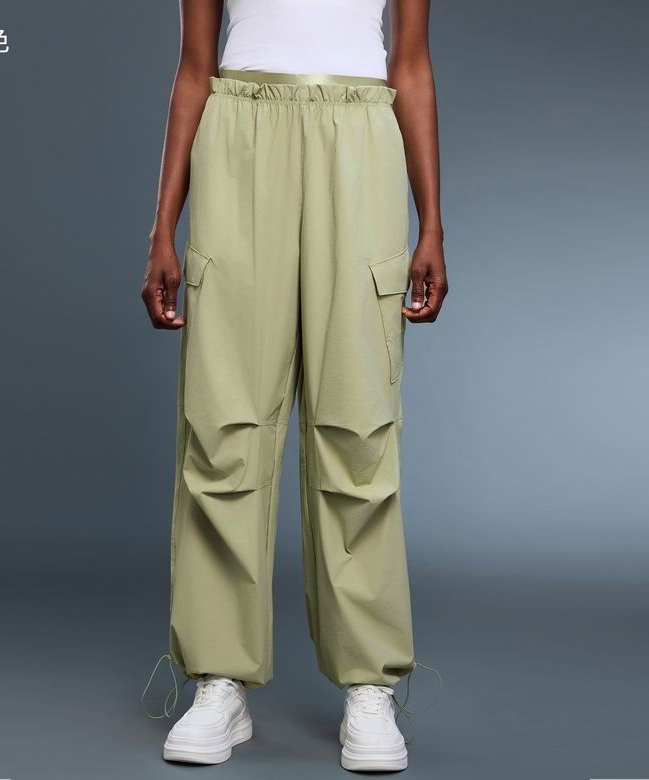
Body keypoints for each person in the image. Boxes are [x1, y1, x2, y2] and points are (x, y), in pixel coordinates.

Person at [141, 0, 448, 771]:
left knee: (358, 423)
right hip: (239, 133)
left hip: (362, 135)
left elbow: (411, 67)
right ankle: (219, 679)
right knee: (225, 422)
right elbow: (193, 70)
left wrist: (432, 224)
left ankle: (368, 684)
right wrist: (161, 230)